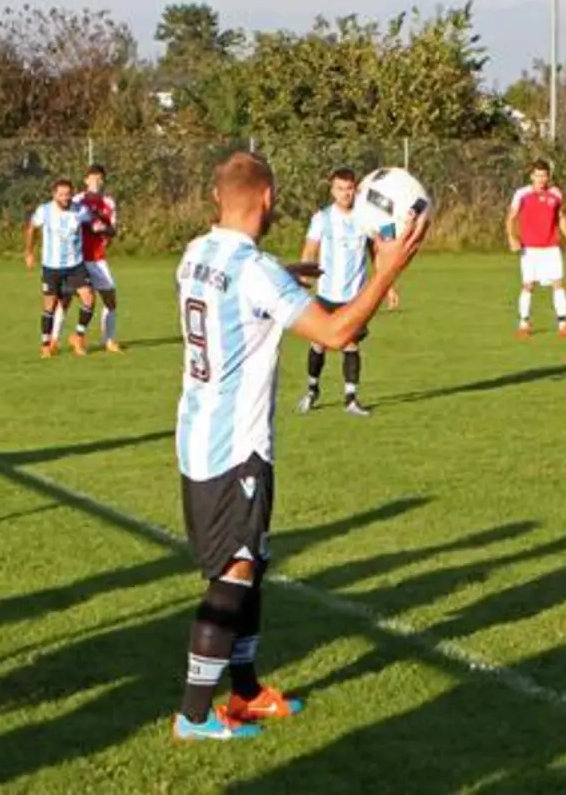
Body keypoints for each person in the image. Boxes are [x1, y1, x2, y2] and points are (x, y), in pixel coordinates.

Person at [171, 151, 426, 741]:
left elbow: (247, 281)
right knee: (234, 572)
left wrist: (291, 276)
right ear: (267, 199)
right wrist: (388, 267)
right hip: (233, 447)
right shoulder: (257, 273)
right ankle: (193, 714)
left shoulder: (196, 254)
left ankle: (246, 693)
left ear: (218, 199)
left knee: (251, 563)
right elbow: (339, 333)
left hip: (199, 433)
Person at [295, 168, 399, 417]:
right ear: (332, 190)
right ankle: (312, 390)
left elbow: (377, 251)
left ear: (356, 189)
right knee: (319, 343)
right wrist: (301, 278)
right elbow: (310, 250)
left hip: (354, 297)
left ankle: (351, 399)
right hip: (326, 294)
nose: (345, 193)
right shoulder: (322, 218)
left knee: (350, 345)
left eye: (349, 188)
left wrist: (388, 285)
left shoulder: (366, 217)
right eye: (340, 189)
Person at [24, 179, 101, 358]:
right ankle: (46, 344)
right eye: (61, 195)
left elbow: (93, 222)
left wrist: (100, 226)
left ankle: (78, 336)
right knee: (50, 304)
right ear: (54, 195)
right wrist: (29, 252)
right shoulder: (45, 210)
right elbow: (31, 229)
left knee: (89, 297)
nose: (65, 198)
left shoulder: (79, 210)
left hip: (75, 264)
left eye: (68, 194)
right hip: (52, 266)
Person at [52, 164, 122, 351]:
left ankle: (108, 340)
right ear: (86, 180)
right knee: (65, 299)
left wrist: (103, 228)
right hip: (77, 259)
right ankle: (53, 340)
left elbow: (113, 230)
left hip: (98, 258)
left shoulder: (109, 202)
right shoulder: (77, 200)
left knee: (110, 299)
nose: (96, 181)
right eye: (93, 178)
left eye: (100, 178)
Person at [505, 159, 566, 338]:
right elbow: (510, 218)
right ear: (531, 176)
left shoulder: (555, 194)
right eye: (537, 175)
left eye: (544, 175)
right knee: (528, 285)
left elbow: (561, 218)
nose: (541, 179)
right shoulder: (522, 194)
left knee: (558, 284)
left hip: (551, 247)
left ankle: (563, 324)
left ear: (549, 176)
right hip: (530, 249)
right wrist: (512, 237)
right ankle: (524, 323)